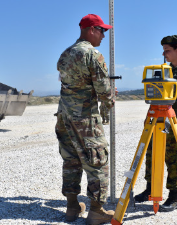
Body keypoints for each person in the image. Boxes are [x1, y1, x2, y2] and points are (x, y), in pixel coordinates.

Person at [55, 14, 118, 224]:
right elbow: (103, 89)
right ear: (91, 30)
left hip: (65, 116)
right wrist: (110, 100)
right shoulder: (92, 54)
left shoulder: (65, 54)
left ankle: (72, 207)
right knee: (98, 161)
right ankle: (97, 211)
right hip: (85, 118)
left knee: (71, 160)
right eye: (102, 30)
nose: (103, 35)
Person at [134, 35, 177, 212]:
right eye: (163, 51)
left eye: (167, 50)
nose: (164, 54)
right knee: (151, 156)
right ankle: (150, 190)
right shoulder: (165, 71)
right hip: (159, 123)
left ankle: (174, 196)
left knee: (175, 160)